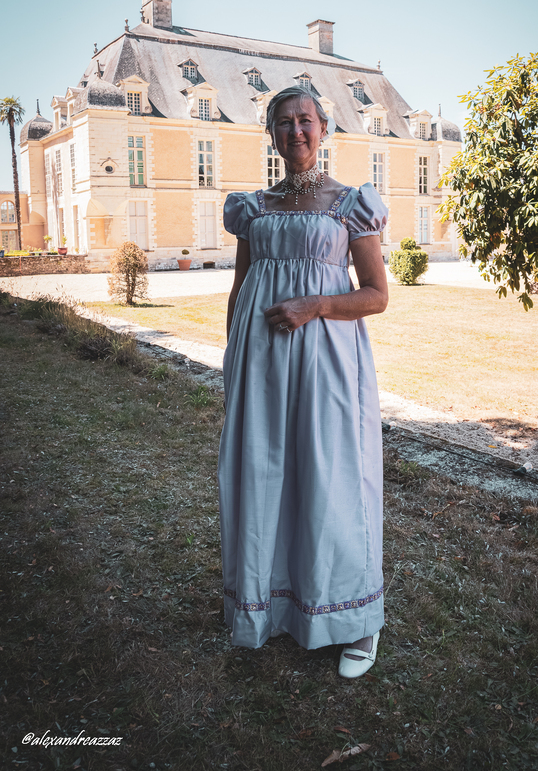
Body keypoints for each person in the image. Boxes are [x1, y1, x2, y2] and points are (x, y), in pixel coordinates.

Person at [218, 85, 388, 678]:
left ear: (324, 129)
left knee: (332, 479)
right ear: (271, 133)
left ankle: (357, 622)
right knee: (266, 478)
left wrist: (314, 305)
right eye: (284, 122)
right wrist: (234, 357)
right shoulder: (254, 208)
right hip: (261, 361)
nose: (296, 130)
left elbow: (376, 295)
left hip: (327, 360)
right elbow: (241, 289)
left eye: (306, 120)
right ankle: (275, 607)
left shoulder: (350, 204)